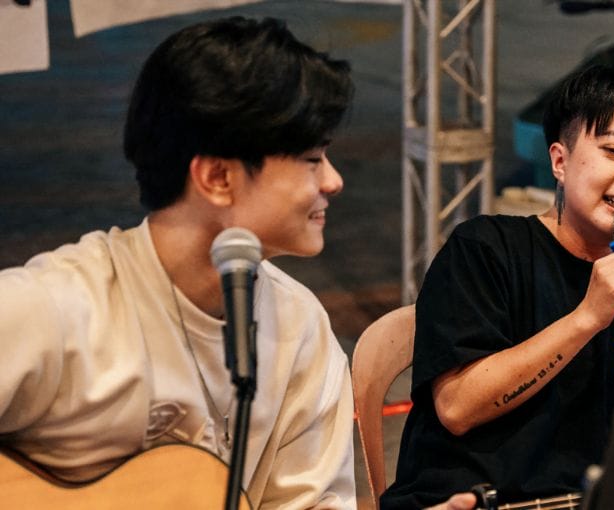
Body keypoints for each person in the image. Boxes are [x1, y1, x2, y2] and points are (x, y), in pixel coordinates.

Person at [0, 17, 356, 509]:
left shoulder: (301, 329)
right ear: (217, 178)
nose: (334, 181)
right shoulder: (53, 309)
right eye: (312, 160)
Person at [381, 63, 614, 508]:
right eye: (613, 150)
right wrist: (587, 317)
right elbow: (456, 407)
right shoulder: (485, 250)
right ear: (559, 161)